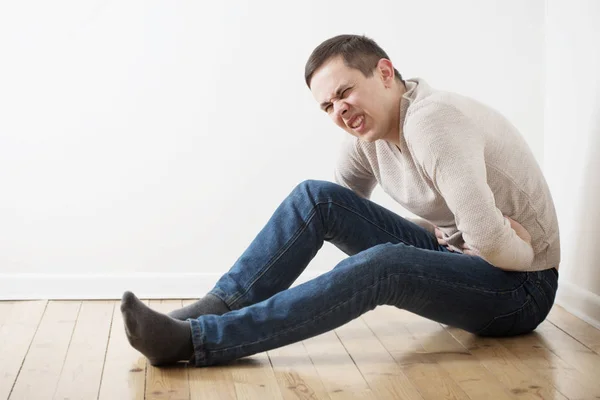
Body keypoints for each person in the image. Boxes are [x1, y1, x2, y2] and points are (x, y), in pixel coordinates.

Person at [120, 34, 560, 367]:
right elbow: (339, 212)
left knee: (387, 263)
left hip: (520, 286)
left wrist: (518, 254)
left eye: (345, 92)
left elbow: (492, 241)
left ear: (385, 73)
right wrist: (433, 234)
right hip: (468, 256)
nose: (339, 111)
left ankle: (198, 340)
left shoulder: (433, 121)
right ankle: (210, 309)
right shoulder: (368, 133)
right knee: (315, 197)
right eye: (327, 106)